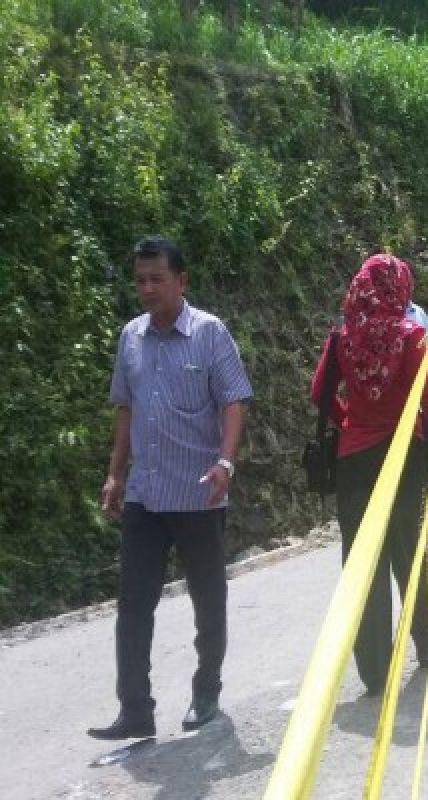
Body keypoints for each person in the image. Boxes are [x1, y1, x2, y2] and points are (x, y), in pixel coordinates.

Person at [90, 235, 253, 740]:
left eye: (157, 279)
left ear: (181, 281)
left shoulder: (209, 334)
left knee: (209, 598)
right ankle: (135, 708)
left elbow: (233, 400)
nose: (147, 288)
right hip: (145, 492)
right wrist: (116, 473)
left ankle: (206, 690)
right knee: (134, 600)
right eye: (140, 280)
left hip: (199, 492)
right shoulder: (130, 338)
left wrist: (226, 460)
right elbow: (126, 408)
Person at [309, 254, 428, 697]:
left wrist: (350, 416)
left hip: (353, 464)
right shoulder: (410, 337)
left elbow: (319, 394)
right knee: (409, 552)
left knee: (363, 563)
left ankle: (373, 670)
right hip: (402, 458)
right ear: (399, 289)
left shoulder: (341, 338)